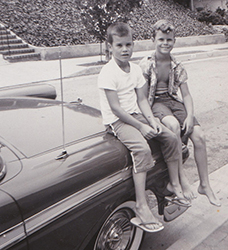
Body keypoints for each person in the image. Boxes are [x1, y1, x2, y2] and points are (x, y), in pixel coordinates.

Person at [98, 22, 191, 233]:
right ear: (109, 47)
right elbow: (116, 108)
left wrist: (152, 121)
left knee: (170, 137)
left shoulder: (136, 69)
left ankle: (171, 184)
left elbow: (142, 100)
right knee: (142, 149)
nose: (125, 50)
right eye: (119, 45)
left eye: (128, 44)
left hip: (137, 114)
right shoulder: (107, 72)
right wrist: (141, 126)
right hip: (118, 120)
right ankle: (141, 205)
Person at [139, 19, 220, 207]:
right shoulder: (146, 64)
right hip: (155, 104)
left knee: (199, 135)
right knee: (174, 125)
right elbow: (142, 97)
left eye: (169, 40)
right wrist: (150, 119)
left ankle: (204, 185)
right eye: (161, 39)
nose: (165, 43)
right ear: (153, 40)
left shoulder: (177, 65)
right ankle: (181, 178)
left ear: (174, 41)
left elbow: (186, 95)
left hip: (172, 100)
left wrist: (190, 116)